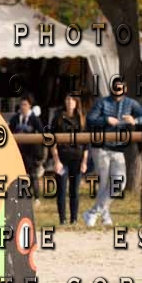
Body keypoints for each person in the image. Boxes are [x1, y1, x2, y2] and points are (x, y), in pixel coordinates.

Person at [84, 77, 142, 226]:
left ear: (125, 89)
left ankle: (93, 212)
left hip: (118, 149)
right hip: (101, 147)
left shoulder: (131, 103)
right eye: (115, 87)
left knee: (119, 183)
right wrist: (106, 120)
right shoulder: (102, 102)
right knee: (103, 184)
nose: (117, 90)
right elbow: (90, 119)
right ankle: (105, 217)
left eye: (120, 87)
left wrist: (135, 121)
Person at [49, 94, 88, 225]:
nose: (69, 102)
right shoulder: (58, 118)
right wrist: (56, 161)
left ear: (76, 102)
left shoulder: (81, 118)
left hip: (77, 158)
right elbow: (52, 141)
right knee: (61, 189)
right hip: (62, 158)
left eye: (72, 100)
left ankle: (74, 219)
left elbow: (86, 143)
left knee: (74, 191)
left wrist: (84, 162)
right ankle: (62, 219)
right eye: (67, 99)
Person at [9, 94, 45, 200]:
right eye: (21, 105)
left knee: (33, 175)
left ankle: (36, 197)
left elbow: (42, 133)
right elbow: (9, 132)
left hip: (31, 152)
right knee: (19, 174)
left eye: (25, 104)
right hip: (18, 151)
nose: (23, 107)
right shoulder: (15, 119)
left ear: (29, 106)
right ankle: (22, 196)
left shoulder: (35, 119)